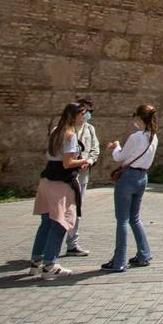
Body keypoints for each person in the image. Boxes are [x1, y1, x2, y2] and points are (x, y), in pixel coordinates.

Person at [29, 102, 90, 279]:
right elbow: (67, 162)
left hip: (47, 179)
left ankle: (36, 262)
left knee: (46, 223)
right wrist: (83, 161)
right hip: (61, 182)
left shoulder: (56, 129)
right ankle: (50, 265)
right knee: (60, 223)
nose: (84, 117)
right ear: (74, 116)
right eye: (82, 114)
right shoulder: (70, 134)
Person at [101, 103, 159, 271]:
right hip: (143, 177)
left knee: (122, 220)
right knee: (135, 218)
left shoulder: (136, 137)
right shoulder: (153, 137)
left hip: (128, 178)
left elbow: (120, 157)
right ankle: (144, 254)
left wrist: (116, 146)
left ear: (139, 118)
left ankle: (119, 261)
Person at [64, 97, 98, 256]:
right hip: (64, 177)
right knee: (59, 211)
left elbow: (95, 150)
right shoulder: (65, 130)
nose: (87, 114)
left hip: (82, 176)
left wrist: (88, 161)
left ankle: (72, 243)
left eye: (89, 111)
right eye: (84, 111)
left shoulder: (90, 129)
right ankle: (49, 248)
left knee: (76, 209)